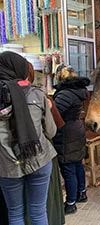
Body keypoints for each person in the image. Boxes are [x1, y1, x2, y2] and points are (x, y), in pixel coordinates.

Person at [0, 51, 57, 225]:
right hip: (39, 159)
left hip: (7, 166)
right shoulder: (37, 95)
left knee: (15, 213)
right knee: (38, 211)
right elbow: (51, 131)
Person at [52, 64, 90, 214]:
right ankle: (82, 193)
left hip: (66, 133)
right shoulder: (79, 91)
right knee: (77, 165)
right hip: (77, 129)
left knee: (68, 169)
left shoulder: (65, 94)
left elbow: (56, 115)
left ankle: (70, 202)